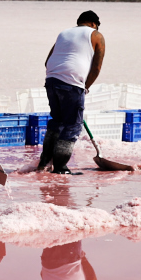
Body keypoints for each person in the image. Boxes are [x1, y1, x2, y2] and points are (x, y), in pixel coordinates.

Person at [38, 10, 106, 174]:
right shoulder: (97, 35)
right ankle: (60, 167)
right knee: (73, 125)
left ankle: (44, 163)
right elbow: (96, 68)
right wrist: (85, 87)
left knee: (57, 121)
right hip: (72, 82)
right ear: (92, 24)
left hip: (51, 80)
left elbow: (47, 61)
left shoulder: (64, 33)